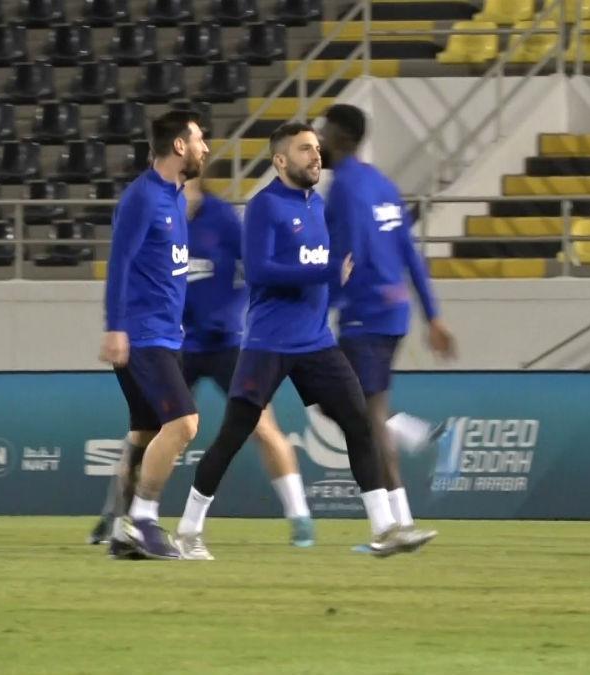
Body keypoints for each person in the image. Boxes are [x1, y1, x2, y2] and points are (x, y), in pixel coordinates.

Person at [174, 122, 436, 559]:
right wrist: (325, 273)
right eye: (304, 150)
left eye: (316, 148)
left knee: (358, 423)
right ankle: (187, 530)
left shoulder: (318, 206)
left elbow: (326, 274)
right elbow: (260, 272)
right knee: (234, 436)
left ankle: (385, 528)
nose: (316, 156)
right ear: (280, 160)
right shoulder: (264, 207)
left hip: (316, 342)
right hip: (268, 344)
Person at [89, 176, 315, 550]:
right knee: (145, 432)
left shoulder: (223, 218)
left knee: (261, 423)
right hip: (175, 342)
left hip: (225, 343)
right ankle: (116, 516)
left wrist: (232, 312)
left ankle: (300, 517)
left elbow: (256, 268)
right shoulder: (159, 212)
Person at [320, 104, 456, 548]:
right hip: (393, 313)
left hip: (364, 313)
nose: (317, 140)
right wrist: (431, 315)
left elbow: (348, 248)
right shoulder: (383, 185)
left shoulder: (343, 188)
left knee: (359, 417)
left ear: (340, 138)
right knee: (347, 407)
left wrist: (325, 305)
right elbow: (410, 254)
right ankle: (401, 516)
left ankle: (395, 525)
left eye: (323, 132)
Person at [101, 111, 208, 560]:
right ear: (179, 146)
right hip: (143, 337)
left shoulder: (176, 198)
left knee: (145, 436)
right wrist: (115, 327)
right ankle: (143, 520)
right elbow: (119, 263)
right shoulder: (143, 197)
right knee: (184, 424)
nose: (205, 148)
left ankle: (120, 531)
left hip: (166, 335)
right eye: (200, 139)